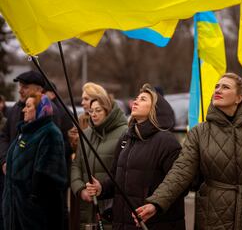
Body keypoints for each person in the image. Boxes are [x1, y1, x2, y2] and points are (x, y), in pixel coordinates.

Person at [132, 73, 242, 230]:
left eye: (225, 87)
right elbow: (181, 171)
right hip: (212, 214)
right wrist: (156, 202)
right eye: (217, 86)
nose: (218, 90)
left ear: (239, 98)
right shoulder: (199, 132)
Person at [85, 83, 185, 230]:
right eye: (136, 98)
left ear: (155, 108)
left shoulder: (167, 142)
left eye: (143, 99)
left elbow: (179, 187)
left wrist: (155, 205)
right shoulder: (126, 138)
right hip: (122, 223)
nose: (136, 101)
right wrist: (101, 188)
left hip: (155, 224)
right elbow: (116, 178)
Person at [3, 93, 67, 230]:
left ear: (40, 109)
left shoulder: (50, 133)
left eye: (28, 106)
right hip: (16, 210)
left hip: (33, 215)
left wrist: (31, 201)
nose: (23, 110)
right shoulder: (25, 132)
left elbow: (49, 177)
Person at [71, 84, 128, 229]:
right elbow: (76, 165)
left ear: (108, 111)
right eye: (91, 111)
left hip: (109, 208)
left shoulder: (124, 133)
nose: (93, 114)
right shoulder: (86, 133)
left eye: (98, 110)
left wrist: (103, 188)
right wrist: (80, 189)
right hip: (86, 208)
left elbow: (124, 172)